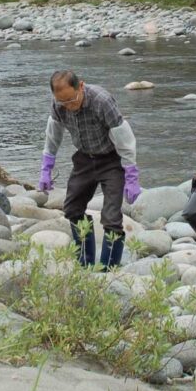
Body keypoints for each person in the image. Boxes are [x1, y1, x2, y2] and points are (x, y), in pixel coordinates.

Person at [38, 70, 141, 269]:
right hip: (84, 158)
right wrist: (46, 168)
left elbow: (125, 139)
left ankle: (107, 269)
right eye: (63, 102)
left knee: (111, 218)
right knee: (72, 209)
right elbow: (53, 137)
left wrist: (131, 176)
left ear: (81, 86)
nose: (70, 106)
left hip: (112, 160)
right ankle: (85, 263)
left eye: (72, 100)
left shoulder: (102, 102)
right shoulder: (59, 105)